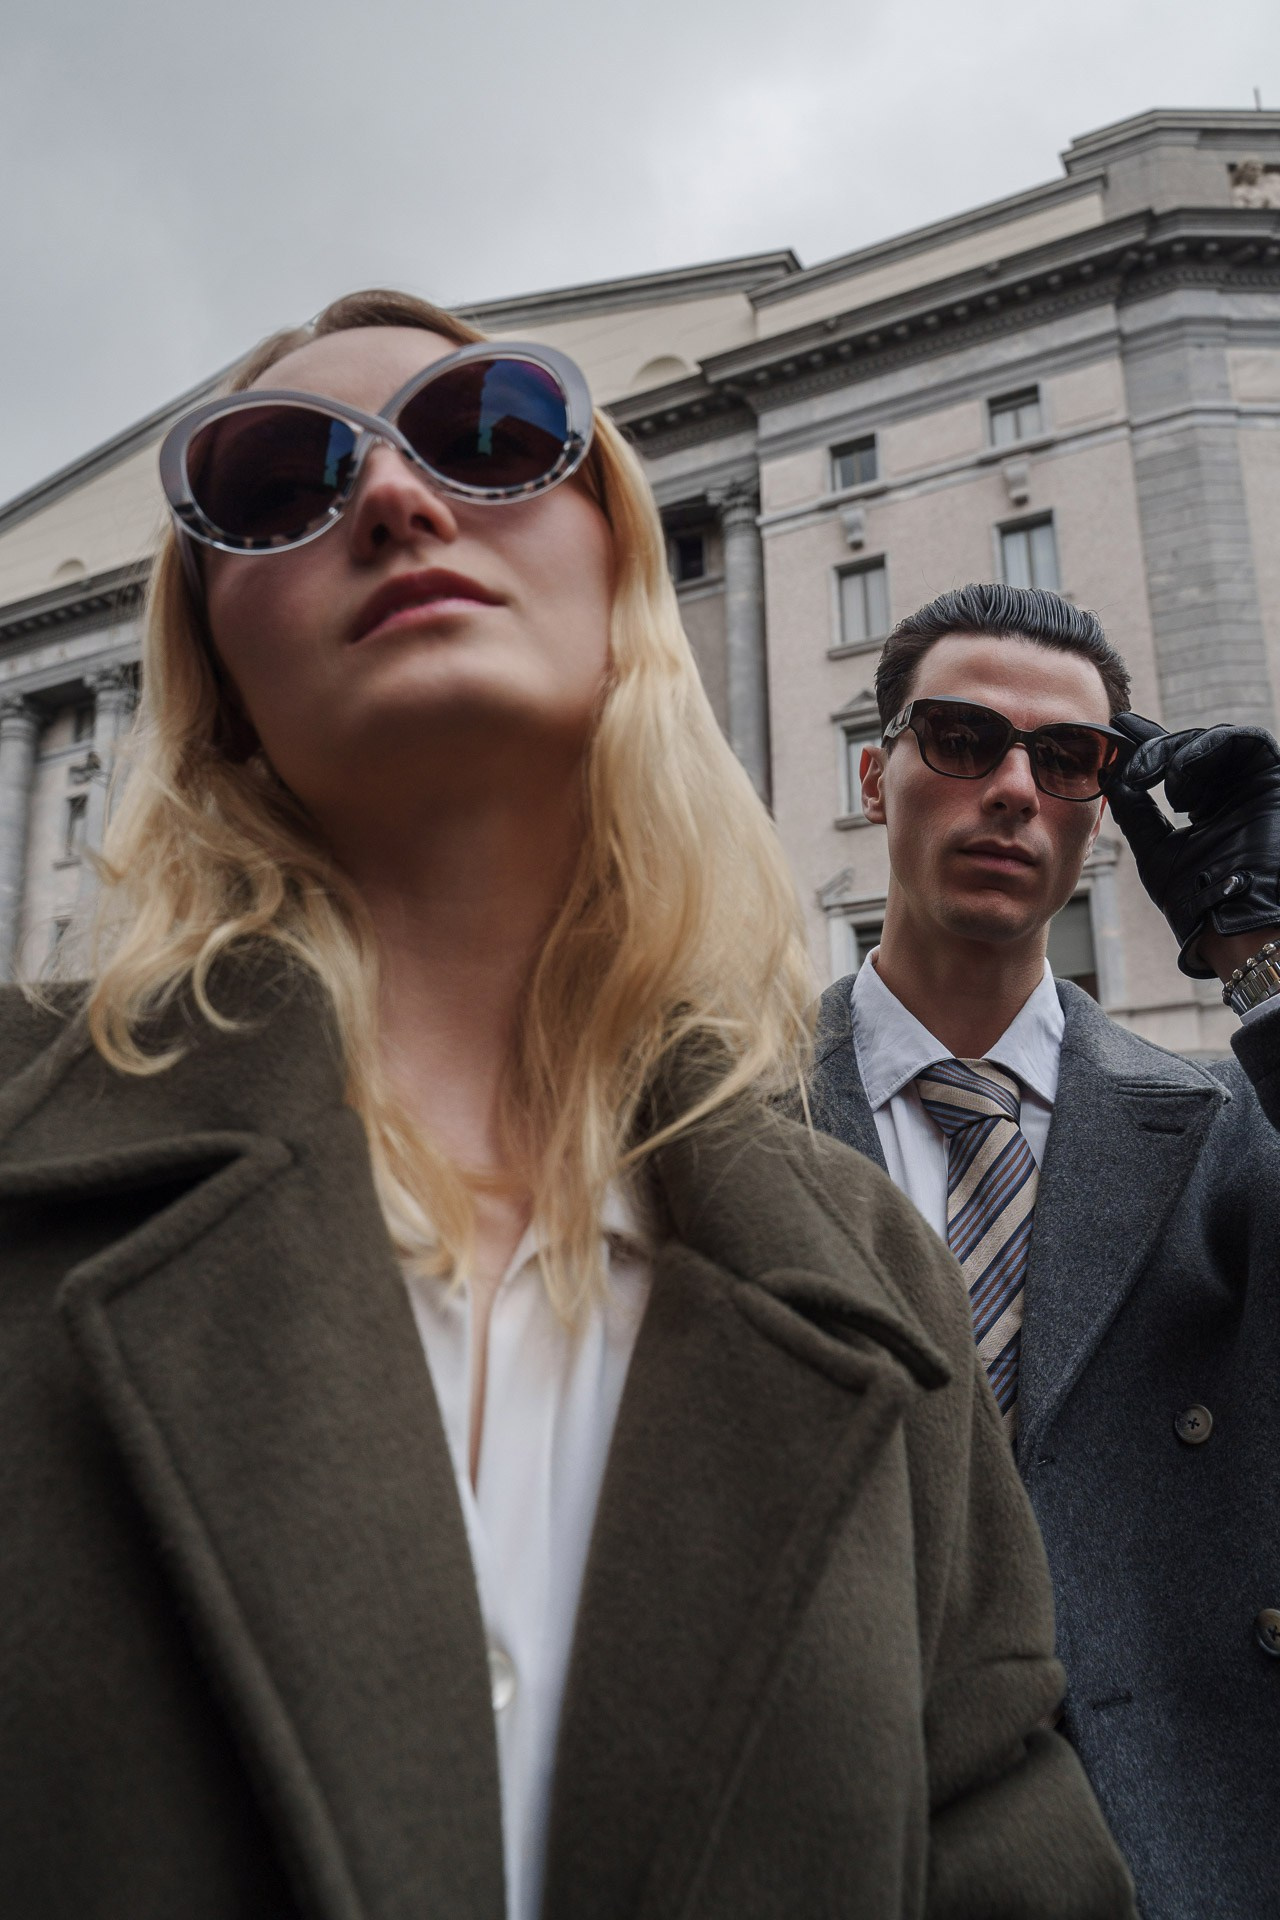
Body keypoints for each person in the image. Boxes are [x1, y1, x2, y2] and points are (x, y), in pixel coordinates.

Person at [0, 299, 1131, 1919]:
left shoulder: (876, 1269)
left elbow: (1000, 1837)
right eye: (272, 482)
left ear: (623, 579)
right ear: (215, 662)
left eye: (488, 434)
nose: (395, 499)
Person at [808, 580, 1280, 1920]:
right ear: (874, 769)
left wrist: (1262, 955)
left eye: (1068, 758)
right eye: (962, 740)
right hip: (842, 1831)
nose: (1014, 788)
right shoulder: (718, 1115)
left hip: (1183, 1839)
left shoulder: (1227, 1121)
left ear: (1103, 810)